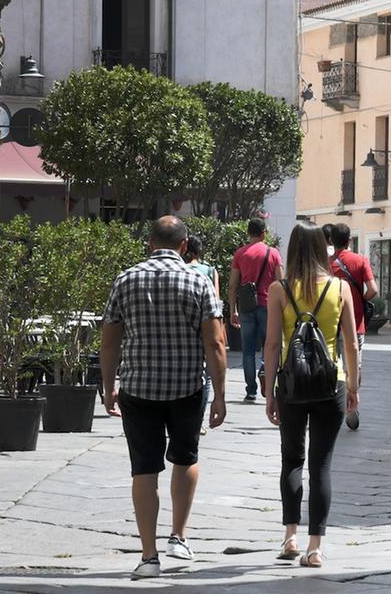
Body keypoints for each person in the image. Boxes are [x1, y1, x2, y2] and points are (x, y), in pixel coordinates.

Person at [100, 217, 226, 580]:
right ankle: (179, 536)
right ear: (185, 246)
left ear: (149, 243)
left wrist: (109, 385)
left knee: (143, 468)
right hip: (186, 386)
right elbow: (215, 342)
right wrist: (220, 395)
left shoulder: (126, 279)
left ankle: (148, 555)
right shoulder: (199, 280)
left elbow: (110, 341)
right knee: (186, 457)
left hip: (138, 388)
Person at [262, 223, 360, 569]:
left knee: (291, 460)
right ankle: (315, 546)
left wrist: (269, 388)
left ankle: (290, 536)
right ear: (323, 248)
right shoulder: (340, 287)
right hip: (329, 383)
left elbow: (273, 343)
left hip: (291, 385)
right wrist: (353, 386)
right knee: (321, 465)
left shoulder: (279, 289)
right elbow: (350, 342)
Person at [228, 218, 283, 404]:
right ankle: (266, 375)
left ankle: (250, 390)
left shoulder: (240, 254)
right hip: (268, 306)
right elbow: (280, 283)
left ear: (248, 233)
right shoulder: (273, 253)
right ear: (264, 233)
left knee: (248, 351)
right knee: (271, 346)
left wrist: (232, 311)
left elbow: (232, 285)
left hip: (246, 307)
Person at [327, 223, 376, 431]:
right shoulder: (361, 260)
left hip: (330, 322)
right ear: (349, 240)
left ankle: (333, 404)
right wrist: (360, 301)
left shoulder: (327, 263)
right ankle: (352, 404)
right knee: (353, 364)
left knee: (332, 364)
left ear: (331, 241)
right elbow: (373, 289)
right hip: (355, 323)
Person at [184, 235, 220, 435]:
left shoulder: (178, 270)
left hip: (182, 330)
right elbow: (216, 303)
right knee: (204, 375)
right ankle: (198, 420)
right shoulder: (209, 270)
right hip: (204, 329)